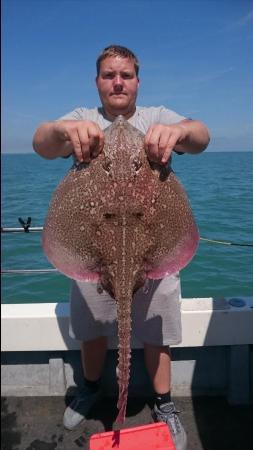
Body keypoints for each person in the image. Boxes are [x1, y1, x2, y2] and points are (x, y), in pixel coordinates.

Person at [33, 45, 210, 450]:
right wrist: (62, 132)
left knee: (156, 333)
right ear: (97, 82)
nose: (118, 82)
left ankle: (164, 404)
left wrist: (181, 132)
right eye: (109, 75)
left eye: (126, 75)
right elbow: (42, 142)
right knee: (91, 331)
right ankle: (91, 388)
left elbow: (201, 136)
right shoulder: (81, 119)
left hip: (155, 249)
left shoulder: (156, 118)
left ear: (137, 82)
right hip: (93, 251)